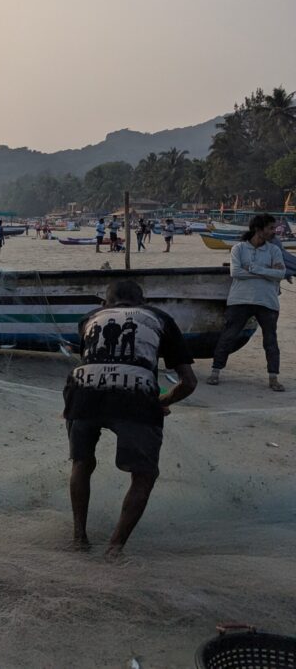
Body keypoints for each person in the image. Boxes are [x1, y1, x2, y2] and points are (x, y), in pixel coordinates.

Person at [63, 280, 197, 558]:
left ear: (105, 304)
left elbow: (91, 360)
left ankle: (79, 538)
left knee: (81, 463)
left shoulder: (89, 319)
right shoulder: (159, 319)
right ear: (143, 302)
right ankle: (114, 547)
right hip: (134, 398)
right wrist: (162, 402)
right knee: (144, 475)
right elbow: (189, 382)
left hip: (82, 394)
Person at [208, 213, 286, 391]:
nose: (275, 231)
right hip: (240, 299)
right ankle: (215, 372)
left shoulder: (274, 250)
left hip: (267, 301)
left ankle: (273, 378)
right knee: (228, 336)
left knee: (270, 340)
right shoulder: (239, 249)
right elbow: (236, 273)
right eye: (271, 228)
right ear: (259, 230)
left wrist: (252, 268)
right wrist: (267, 271)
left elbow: (280, 274)